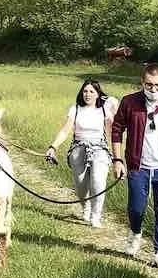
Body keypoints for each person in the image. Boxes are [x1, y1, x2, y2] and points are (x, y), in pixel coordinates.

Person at [110, 63, 158, 267]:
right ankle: (135, 233)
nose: (153, 89)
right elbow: (117, 130)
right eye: (149, 85)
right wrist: (117, 160)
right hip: (137, 167)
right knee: (136, 209)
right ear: (142, 83)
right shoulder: (129, 102)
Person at [45, 79, 118, 227]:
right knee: (80, 185)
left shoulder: (104, 109)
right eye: (85, 91)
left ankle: (96, 216)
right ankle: (85, 207)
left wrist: (117, 157)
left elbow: (112, 133)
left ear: (98, 94)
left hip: (99, 149)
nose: (88, 94)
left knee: (98, 181)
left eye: (92, 91)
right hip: (78, 148)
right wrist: (53, 146)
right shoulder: (75, 109)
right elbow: (65, 130)